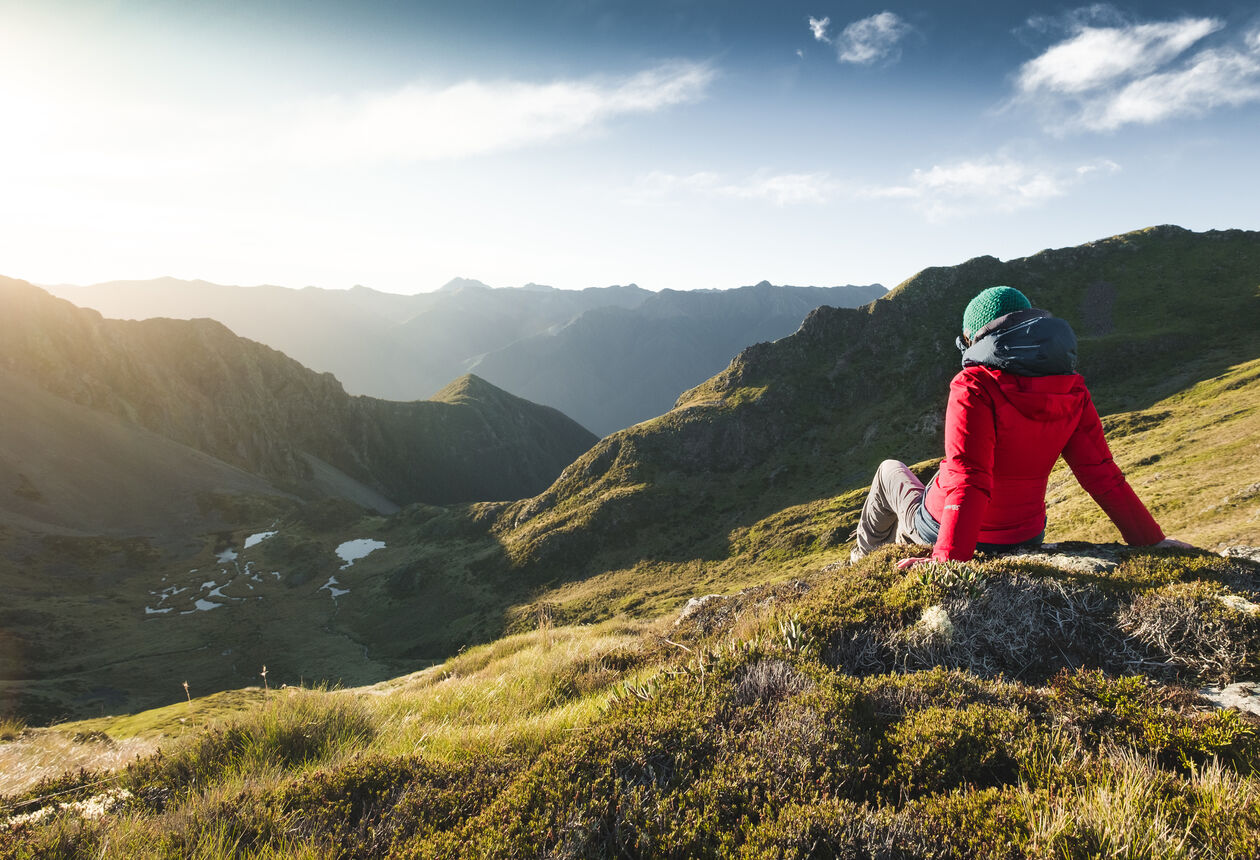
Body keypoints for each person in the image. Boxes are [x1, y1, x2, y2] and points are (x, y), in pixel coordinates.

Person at [849, 285, 1190, 569]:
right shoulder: (1072, 389)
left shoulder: (973, 384)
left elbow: (969, 476)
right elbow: (1101, 475)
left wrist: (948, 560)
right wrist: (1151, 540)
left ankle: (859, 563)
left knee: (889, 471)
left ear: (973, 339)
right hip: (1025, 535)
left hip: (940, 527)